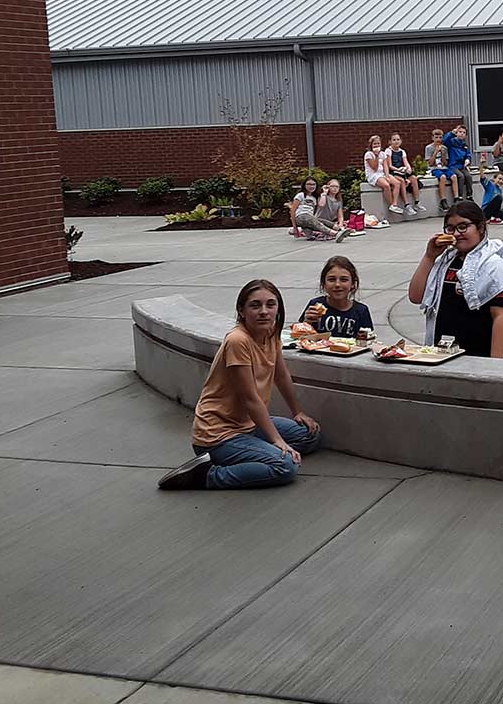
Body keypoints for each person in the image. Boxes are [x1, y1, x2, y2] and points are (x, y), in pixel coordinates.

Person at [157, 280, 324, 490]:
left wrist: (298, 411)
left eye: (270, 305)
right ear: (241, 311)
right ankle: (207, 475)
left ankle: (251, 453)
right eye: (255, 305)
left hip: (248, 424)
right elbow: (250, 398)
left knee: (310, 435)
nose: (264, 311)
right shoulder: (238, 341)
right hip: (218, 434)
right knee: (285, 466)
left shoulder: (271, 332)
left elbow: (281, 376)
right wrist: (276, 441)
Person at [408, 200, 503, 358]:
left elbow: (501, 315)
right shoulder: (445, 261)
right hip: (440, 352)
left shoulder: (493, 265)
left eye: (463, 226)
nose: (456, 233)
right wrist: (429, 257)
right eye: (450, 228)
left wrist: (495, 365)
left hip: (475, 354)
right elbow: (415, 297)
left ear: (481, 227)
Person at [300, 256, 373, 337]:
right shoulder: (314, 305)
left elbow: (369, 341)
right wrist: (306, 323)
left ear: (352, 284)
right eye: (331, 280)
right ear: (324, 283)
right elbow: (299, 338)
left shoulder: (361, 311)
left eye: (344, 280)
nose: (337, 284)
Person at [289, 177, 348, 241]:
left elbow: (340, 216)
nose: (311, 186)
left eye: (313, 184)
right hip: (301, 216)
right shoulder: (301, 195)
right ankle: (335, 234)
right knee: (314, 221)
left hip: (310, 219)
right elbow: (292, 211)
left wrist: (340, 225)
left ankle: (339, 230)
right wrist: (295, 227)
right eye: (309, 184)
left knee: (317, 223)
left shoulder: (314, 198)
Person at [365, 135, 407, 214]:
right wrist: (376, 156)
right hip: (373, 174)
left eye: (378, 144)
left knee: (397, 183)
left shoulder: (383, 154)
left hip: (382, 173)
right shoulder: (368, 154)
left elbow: (385, 166)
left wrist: (387, 175)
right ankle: (390, 204)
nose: (377, 146)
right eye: (375, 144)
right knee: (386, 185)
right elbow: (374, 168)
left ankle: (394, 204)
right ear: (371, 145)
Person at [385, 133, 424, 215]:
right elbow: (389, 165)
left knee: (413, 178)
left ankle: (417, 202)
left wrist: (408, 169)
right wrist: (398, 170)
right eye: (394, 140)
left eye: (398, 139)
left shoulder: (402, 151)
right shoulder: (388, 151)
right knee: (402, 181)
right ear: (390, 142)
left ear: (401, 141)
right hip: (394, 171)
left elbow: (406, 162)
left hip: (402, 170)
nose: (396, 141)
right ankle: (407, 205)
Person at [426, 128, 459, 212]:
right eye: (436, 137)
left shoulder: (444, 148)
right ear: (432, 138)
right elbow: (430, 163)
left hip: (443, 167)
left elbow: (445, 163)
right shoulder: (429, 148)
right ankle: (443, 200)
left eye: (440, 137)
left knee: (454, 176)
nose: (438, 139)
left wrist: (443, 154)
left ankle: (456, 198)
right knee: (443, 177)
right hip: (434, 168)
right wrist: (435, 152)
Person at [443, 125, 475, 201]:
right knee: (460, 176)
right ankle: (459, 195)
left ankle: (469, 195)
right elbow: (445, 140)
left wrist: (468, 159)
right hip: (453, 166)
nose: (462, 134)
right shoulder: (451, 142)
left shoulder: (464, 145)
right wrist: (451, 133)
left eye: (464, 133)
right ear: (456, 133)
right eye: (460, 132)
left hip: (462, 166)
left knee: (468, 176)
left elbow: (468, 154)